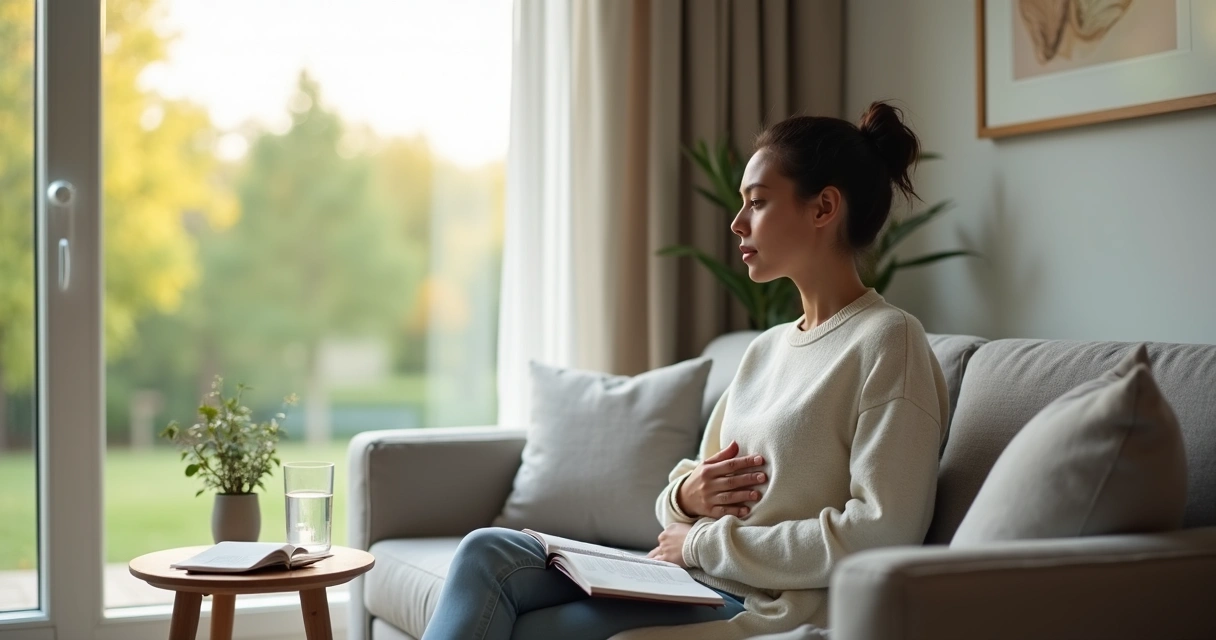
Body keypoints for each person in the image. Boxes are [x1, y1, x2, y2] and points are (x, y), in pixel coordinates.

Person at [421, 101, 950, 640]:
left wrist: (699, 542)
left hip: (759, 601)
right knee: (487, 548)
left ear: (823, 208)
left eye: (758, 203)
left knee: (539, 631)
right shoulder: (765, 350)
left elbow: (881, 535)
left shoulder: (888, 340)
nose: (737, 222)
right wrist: (686, 497)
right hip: (687, 577)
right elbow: (681, 489)